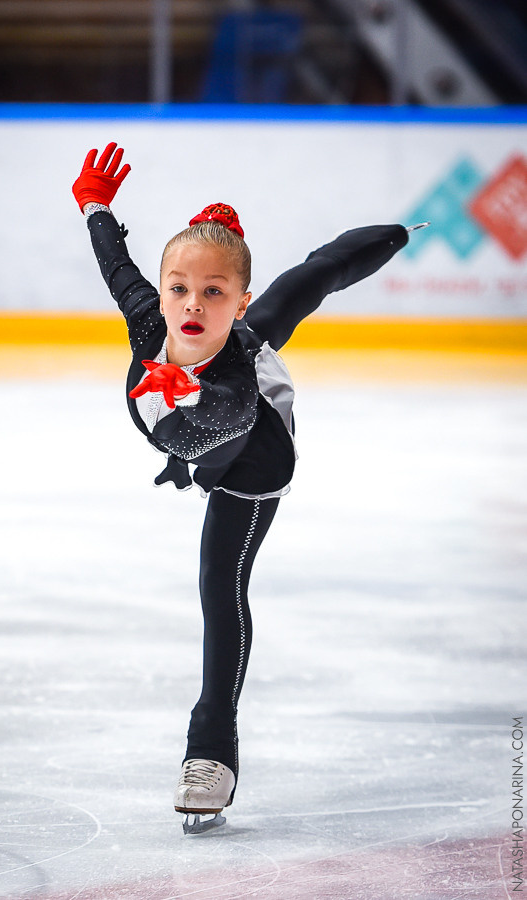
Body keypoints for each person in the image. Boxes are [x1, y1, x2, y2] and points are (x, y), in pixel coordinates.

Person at [72, 142, 410, 834]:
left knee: (218, 583)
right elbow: (116, 264)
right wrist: (95, 203)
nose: (191, 305)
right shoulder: (148, 317)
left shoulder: (234, 382)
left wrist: (182, 400)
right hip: (195, 422)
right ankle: (385, 239)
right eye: (179, 288)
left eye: (214, 293)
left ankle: (211, 750)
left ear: (237, 299)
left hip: (253, 455)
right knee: (311, 280)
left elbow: (202, 442)